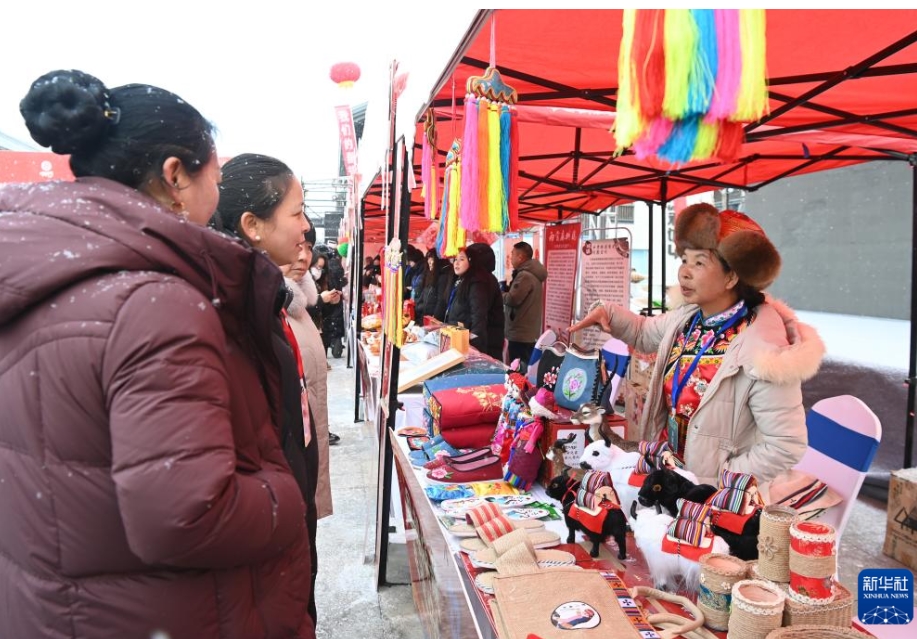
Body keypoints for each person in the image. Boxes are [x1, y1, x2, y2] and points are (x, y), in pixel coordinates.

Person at [0, 70, 314, 638]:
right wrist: (286, 490)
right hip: (164, 614)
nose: (216, 194)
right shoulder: (153, 301)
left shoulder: (38, 275)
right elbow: (185, 514)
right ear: (176, 176)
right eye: (213, 176)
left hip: (56, 608)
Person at [569, 203, 825, 486]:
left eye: (699, 263)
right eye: (684, 260)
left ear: (732, 276)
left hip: (714, 498)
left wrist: (716, 480)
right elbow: (643, 332)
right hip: (669, 477)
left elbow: (785, 446)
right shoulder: (688, 319)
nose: (684, 273)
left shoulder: (764, 352)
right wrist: (609, 313)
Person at [210, 152, 320, 626]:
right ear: (253, 225)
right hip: (268, 540)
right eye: (296, 213)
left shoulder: (261, 301)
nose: (305, 228)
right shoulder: (232, 314)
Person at [282, 221, 334, 519]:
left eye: (309, 248)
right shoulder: (275, 309)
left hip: (303, 458)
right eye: (298, 245)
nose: (304, 257)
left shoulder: (297, 306)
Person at [444, 243, 505, 359]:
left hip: (479, 345)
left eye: (462, 259)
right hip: (467, 340)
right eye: (455, 259)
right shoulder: (464, 279)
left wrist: (473, 348)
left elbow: (478, 317)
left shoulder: (479, 281)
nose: (456, 263)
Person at [501, 241, 548, 371]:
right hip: (528, 332)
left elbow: (513, 299)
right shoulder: (530, 274)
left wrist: (500, 294)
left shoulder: (525, 276)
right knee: (524, 368)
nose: (511, 258)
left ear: (521, 257)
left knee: (518, 371)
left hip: (520, 333)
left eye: (513, 254)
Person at [311, 248, 346, 359]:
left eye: (321, 268)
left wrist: (332, 302)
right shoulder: (302, 283)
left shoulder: (321, 283)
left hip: (321, 332)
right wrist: (321, 300)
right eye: (316, 267)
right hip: (311, 335)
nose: (318, 271)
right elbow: (303, 309)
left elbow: (323, 312)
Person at [415, 248, 444, 323]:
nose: (429, 262)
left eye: (432, 259)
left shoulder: (442, 277)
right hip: (424, 315)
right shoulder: (428, 275)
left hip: (433, 318)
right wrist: (417, 307)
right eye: (428, 259)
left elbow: (441, 300)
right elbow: (424, 294)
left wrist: (436, 316)